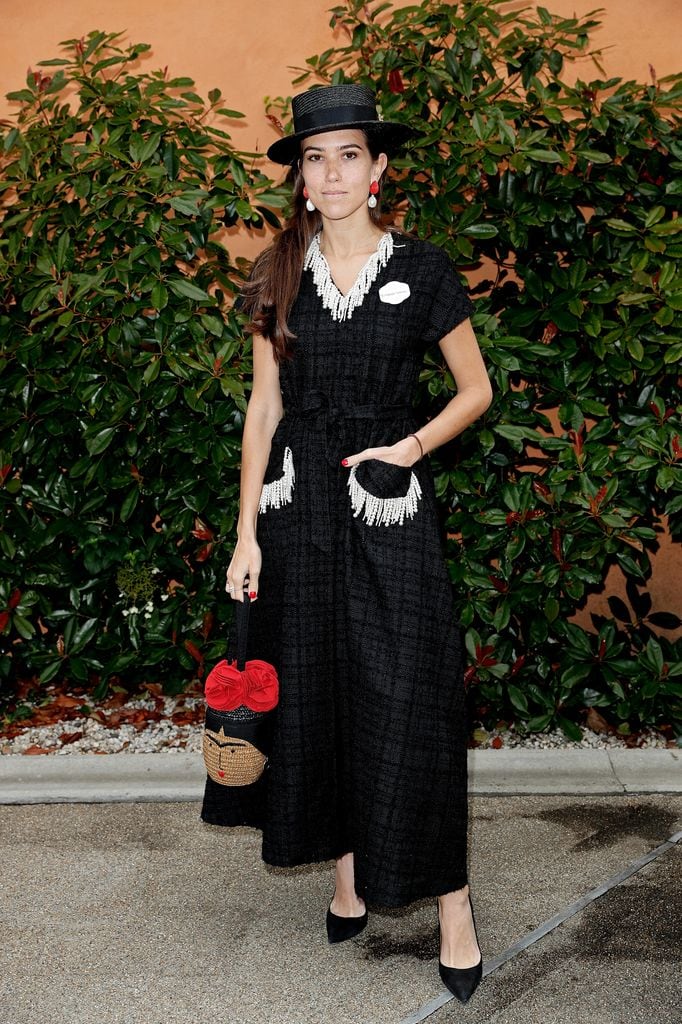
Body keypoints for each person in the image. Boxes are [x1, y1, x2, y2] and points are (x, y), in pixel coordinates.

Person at [201, 82, 492, 1004]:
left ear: (378, 169)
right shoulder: (273, 277)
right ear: (300, 177)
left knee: (411, 699)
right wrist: (246, 534)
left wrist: (406, 447)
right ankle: (347, 869)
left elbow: (475, 391)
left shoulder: (427, 271)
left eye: (349, 155)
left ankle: (453, 903)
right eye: (314, 158)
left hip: (386, 508)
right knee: (319, 691)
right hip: (298, 520)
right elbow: (262, 411)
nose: (332, 173)